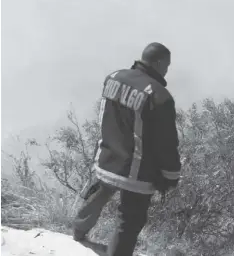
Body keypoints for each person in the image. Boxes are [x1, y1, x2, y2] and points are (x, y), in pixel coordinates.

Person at [72, 42, 182, 256]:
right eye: (166, 66)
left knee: (98, 195)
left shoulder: (113, 77)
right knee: (129, 221)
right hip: (137, 171)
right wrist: (171, 175)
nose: (167, 71)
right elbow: (166, 142)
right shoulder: (160, 96)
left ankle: (78, 232)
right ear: (158, 63)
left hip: (107, 157)